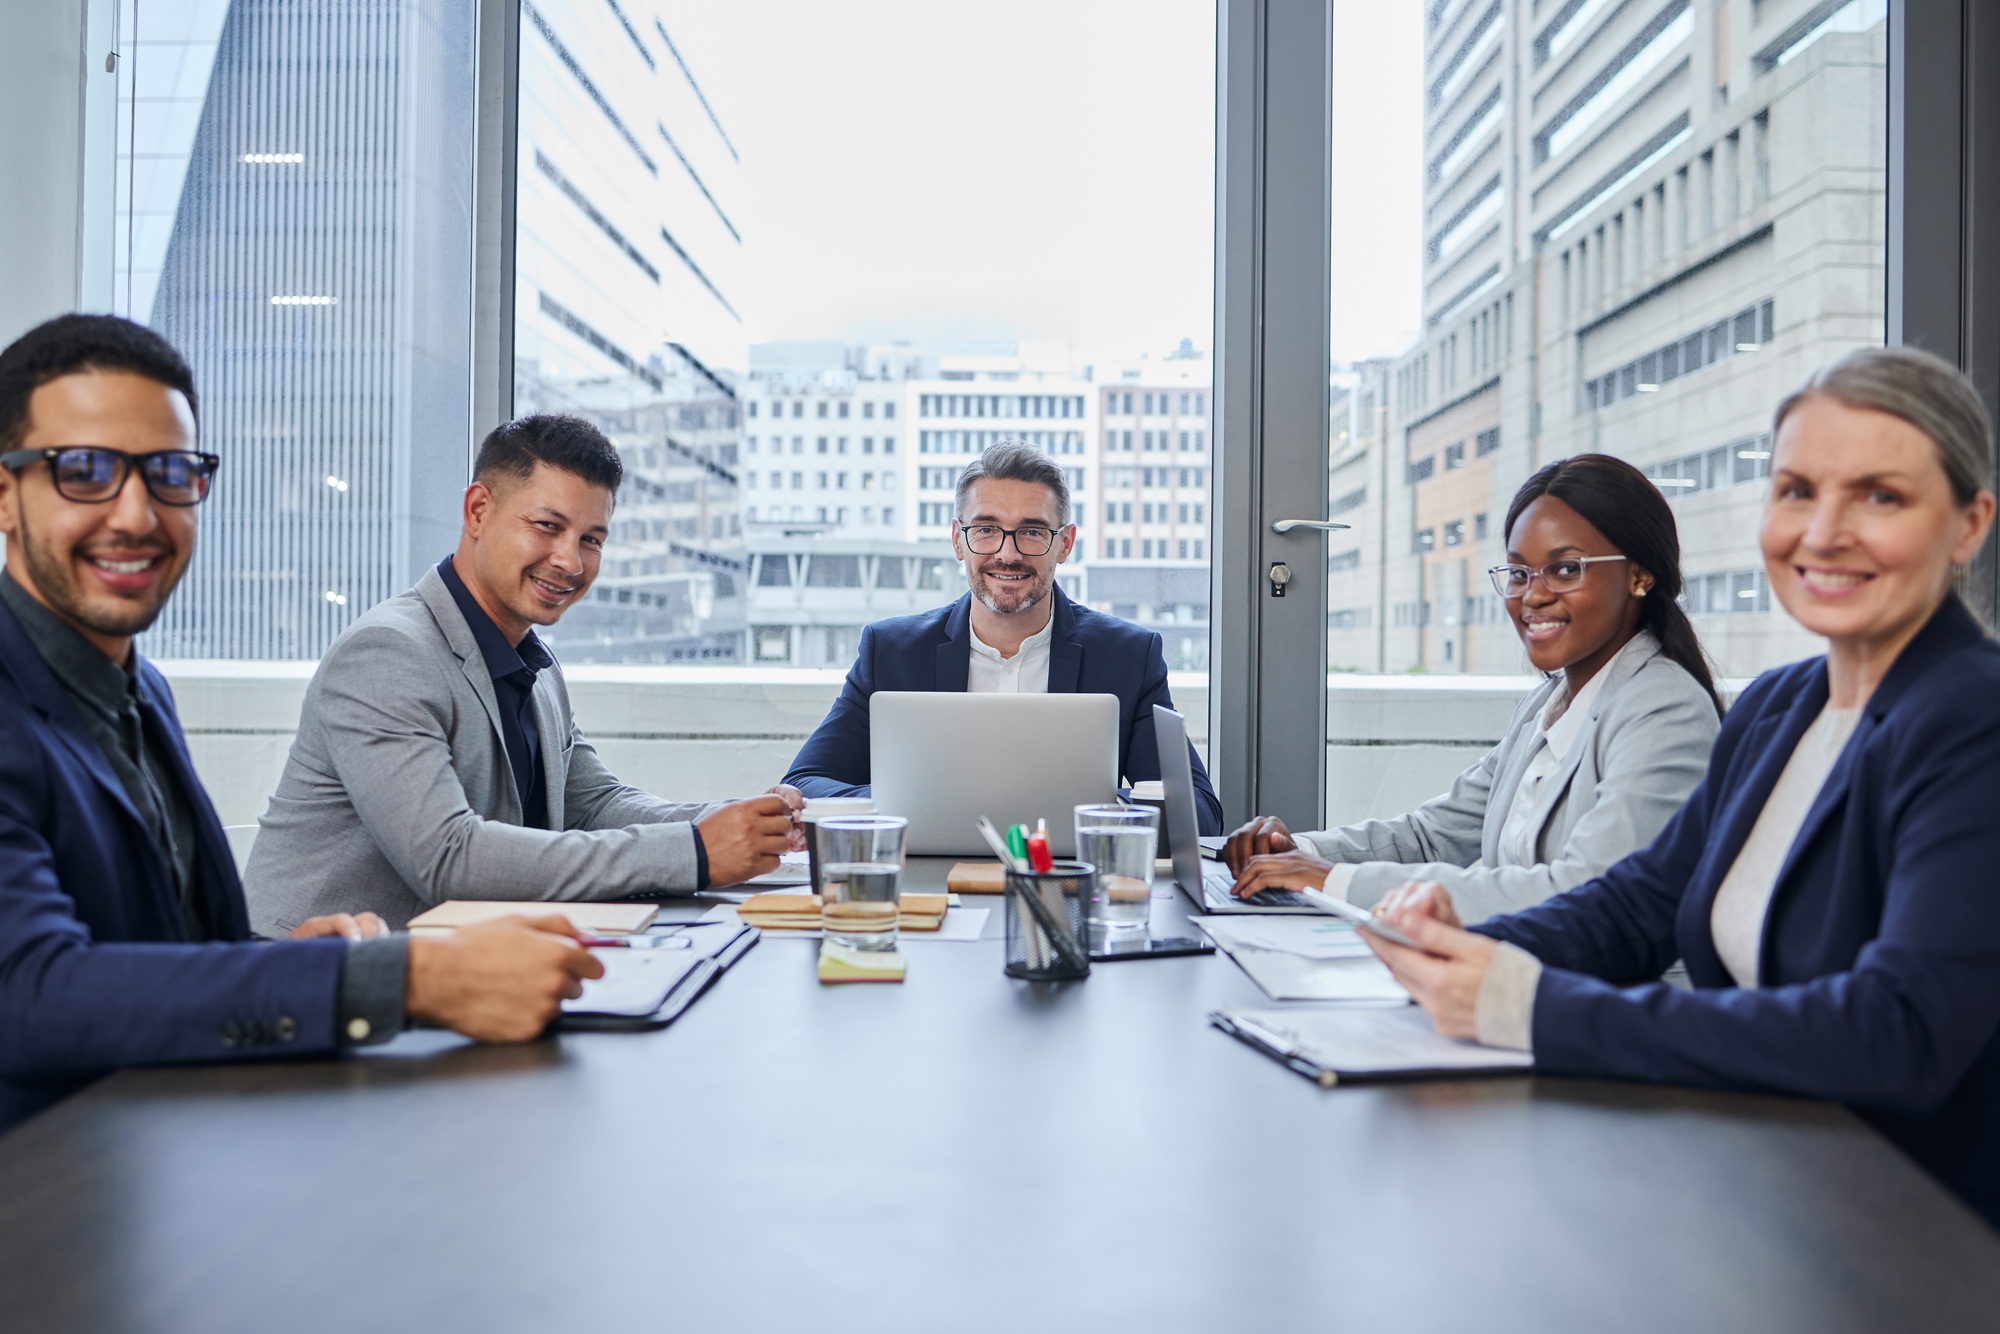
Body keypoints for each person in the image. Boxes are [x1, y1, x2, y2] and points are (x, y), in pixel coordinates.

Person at [1364, 346, 2000, 1226]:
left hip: (1909, 1234)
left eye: (1879, 496)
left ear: (1968, 526)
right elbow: (1638, 906)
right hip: (1759, 1182)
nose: (1823, 532)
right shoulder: (1780, 709)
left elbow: (1899, 1030)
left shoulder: (1976, 720)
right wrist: (1464, 953)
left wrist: (1531, 1006)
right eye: (1797, 491)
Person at [0, 314, 606, 1131]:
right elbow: (31, 994)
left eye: (170, 473)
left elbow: (159, 960)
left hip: (159, 1142)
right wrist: (401, 979)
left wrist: (283, 967)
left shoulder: (136, 691)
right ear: (7, 494)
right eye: (86, 472)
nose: (137, 515)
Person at [245, 414, 798, 934]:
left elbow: (593, 805)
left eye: (591, 539)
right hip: (310, 987)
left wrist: (736, 822)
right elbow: (448, 857)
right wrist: (696, 852)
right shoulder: (388, 653)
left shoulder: (533, 662)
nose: (571, 561)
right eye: (547, 526)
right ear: (478, 511)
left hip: (450, 967)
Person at [1225, 454, 1722, 920]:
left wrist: (1336, 881)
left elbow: (1586, 893)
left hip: (1607, 998)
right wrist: (1298, 852)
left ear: (1639, 576)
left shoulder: (1664, 709)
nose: (1534, 595)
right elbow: (1432, 836)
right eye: (1519, 572)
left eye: (1566, 569)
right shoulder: (1547, 706)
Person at [782, 442, 1223, 833]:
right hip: (927, 891)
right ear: (959, 540)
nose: (1007, 553)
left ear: (1065, 544)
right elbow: (803, 784)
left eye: (1032, 531)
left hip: (1064, 890)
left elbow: (1199, 811)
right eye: (986, 529)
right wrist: (903, 803)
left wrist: (1088, 810)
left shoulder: (1128, 656)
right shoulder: (891, 651)